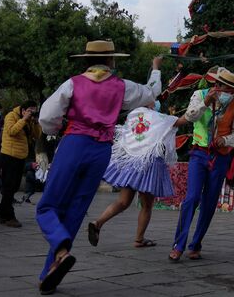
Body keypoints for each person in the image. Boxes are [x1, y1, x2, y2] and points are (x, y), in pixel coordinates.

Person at [36, 40, 162, 295]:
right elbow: (152, 92)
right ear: (112, 61)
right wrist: (156, 68)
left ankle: (60, 249)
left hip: (75, 144)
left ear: (85, 60)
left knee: (48, 206)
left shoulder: (72, 83)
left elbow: (47, 118)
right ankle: (50, 271)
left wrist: (56, 130)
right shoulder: (122, 87)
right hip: (101, 150)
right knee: (76, 210)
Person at [169, 67, 234, 262]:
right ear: (216, 85)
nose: (229, 93)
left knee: (210, 202)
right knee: (192, 198)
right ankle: (179, 244)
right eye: (226, 89)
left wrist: (226, 140)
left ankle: (195, 245)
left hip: (220, 157)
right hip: (199, 153)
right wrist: (205, 103)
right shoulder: (199, 95)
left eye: (232, 90)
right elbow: (190, 116)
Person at [88, 101, 184, 248]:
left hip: (131, 163)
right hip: (148, 164)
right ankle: (139, 239)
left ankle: (98, 223)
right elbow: (182, 120)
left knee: (122, 202)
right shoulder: (157, 117)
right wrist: (203, 103)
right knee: (146, 205)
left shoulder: (133, 114)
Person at [0, 101, 41, 228]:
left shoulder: (29, 120)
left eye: (33, 110)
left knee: (14, 186)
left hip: (21, 156)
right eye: (30, 110)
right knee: (9, 186)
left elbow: (37, 135)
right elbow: (12, 131)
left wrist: (34, 122)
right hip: (9, 155)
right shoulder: (11, 116)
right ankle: (9, 216)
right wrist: (24, 119)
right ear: (23, 110)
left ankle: (2, 215)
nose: (31, 113)